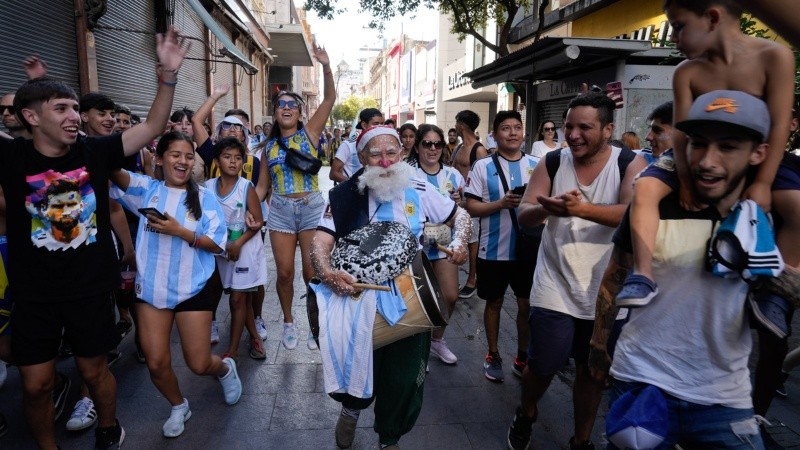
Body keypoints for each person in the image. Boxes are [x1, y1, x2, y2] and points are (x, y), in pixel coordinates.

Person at [0, 28, 188, 449]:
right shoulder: (10, 158)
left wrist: (169, 76)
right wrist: (29, 85)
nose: (74, 116)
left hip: (88, 288)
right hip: (33, 294)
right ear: (31, 117)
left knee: (93, 372)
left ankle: (108, 426)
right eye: (61, 108)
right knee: (34, 386)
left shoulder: (95, 152)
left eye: (74, 107)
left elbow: (155, 125)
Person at [589, 90, 773, 448]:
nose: (708, 160)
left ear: (758, 153)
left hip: (724, 399)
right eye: (699, 144)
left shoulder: (769, 216)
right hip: (641, 383)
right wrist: (598, 344)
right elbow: (616, 273)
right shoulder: (652, 205)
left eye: (729, 146)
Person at [617, 0, 795, 307]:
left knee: (796, 207)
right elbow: (683, 135)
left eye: (678, 26)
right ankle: (642, 274)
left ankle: (777, 295)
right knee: (645, 187)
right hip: (691, 156)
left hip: (760, 155)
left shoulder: (775, 56)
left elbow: (779, 125)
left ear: (712, 18)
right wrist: (684, 180)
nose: (673, 37)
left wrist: (764, 182)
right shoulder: (686, 72)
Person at [310, 125, 470, 449]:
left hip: (412, 299)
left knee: (404, 375)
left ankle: (390, 437)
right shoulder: (344, 196)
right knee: (358, 363)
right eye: (375, 154)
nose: (384, 162)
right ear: (362, 158)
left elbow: (459, 217)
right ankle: (351, 411)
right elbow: (320, 242)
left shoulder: (419, 187)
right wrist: (327, 272)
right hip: (358, 299)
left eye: (391, 153)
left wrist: (460, 241)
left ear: (402, 154)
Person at [506, 93, 645, 450]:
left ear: (608, 129)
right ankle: (528, 410)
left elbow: (633, 214)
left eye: (585, 127)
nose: (574, 134)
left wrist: (580, 210)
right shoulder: (552, 162)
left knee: (592, 370)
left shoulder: (630, 163)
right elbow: (524, 214)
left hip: (605, 289)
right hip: (554, 281)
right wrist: (544, 210)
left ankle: (581, 439)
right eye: (569, 126)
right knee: (545, 361)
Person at [109, 131, 242, 438]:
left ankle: (224, 368)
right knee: (156, 363)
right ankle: (179, 405)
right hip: (151, 290)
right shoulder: (145, 189)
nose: (183, 161)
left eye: (188, 155)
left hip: (192, 289)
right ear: (158, 158)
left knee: (198, 364)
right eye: (175, 155)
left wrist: (180, 231)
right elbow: (111, 166)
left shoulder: (206, 198)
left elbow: (217, 244)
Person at [253, 43, 334, 351]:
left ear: (300, 113)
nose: (286, 107)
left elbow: (329, 98)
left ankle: (314, 326)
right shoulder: (268, 149)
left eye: (292, 104)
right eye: (280, 104)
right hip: (281, 212)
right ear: (274, 113)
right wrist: (243, 208)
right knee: (284, 273)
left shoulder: (310, 134)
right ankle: (288, 321)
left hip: (313, 208)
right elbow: (262, 189)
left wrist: (325, 65)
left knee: (311, 272)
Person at [464, 110, 541, 383]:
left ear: (523, 133)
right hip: (492, 249)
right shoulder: (482, 166)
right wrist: (501, 204)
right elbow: (470, 206)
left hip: (529, 250)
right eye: (505, 128)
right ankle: (493, 353)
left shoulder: (538, 164)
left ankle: (522, 355)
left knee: (527, 305)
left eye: (517, 128)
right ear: (495, 135)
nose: (512, 133)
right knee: (494, 302)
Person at [205, 137, 268, 361]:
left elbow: (258, 221)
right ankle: (254, 337)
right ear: (216, 161)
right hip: (221, 251)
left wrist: (238, 242)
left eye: (238, 158)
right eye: (227, 157)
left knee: (237, 300)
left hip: (245, 249)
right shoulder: (208, 187)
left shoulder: (246, 187)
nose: (233, 162)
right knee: (239, 299)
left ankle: (231, 351)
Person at [415, 124, 466, 364]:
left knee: (450, 295)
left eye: (438, 143)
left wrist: (459, 201)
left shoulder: (453, 174)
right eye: (427, 143)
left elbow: (462, 211)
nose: (433, 148)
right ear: (417, 147)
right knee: (420, 299)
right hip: (415, 243)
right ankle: (419, 348)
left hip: (444, 239)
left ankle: (437, 340)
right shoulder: (408, 174)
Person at [451, 110, 487, 298]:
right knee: (458, 239)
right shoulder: (458, 148)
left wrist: (470, 202)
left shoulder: (479, 149)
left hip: (471, 202)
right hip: (455, 202)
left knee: (472, 242)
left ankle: (472, 280)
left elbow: (484, 178)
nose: (455, 127)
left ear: (462, 125)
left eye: (456, 123)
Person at [330, 108, 383, 183]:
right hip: (353, 193)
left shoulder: (383, 145)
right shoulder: (348, 145)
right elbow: (333, 174)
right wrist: (355, 184)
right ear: (364, 125)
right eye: (376, 124)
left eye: (382, 124)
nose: (380, 127)